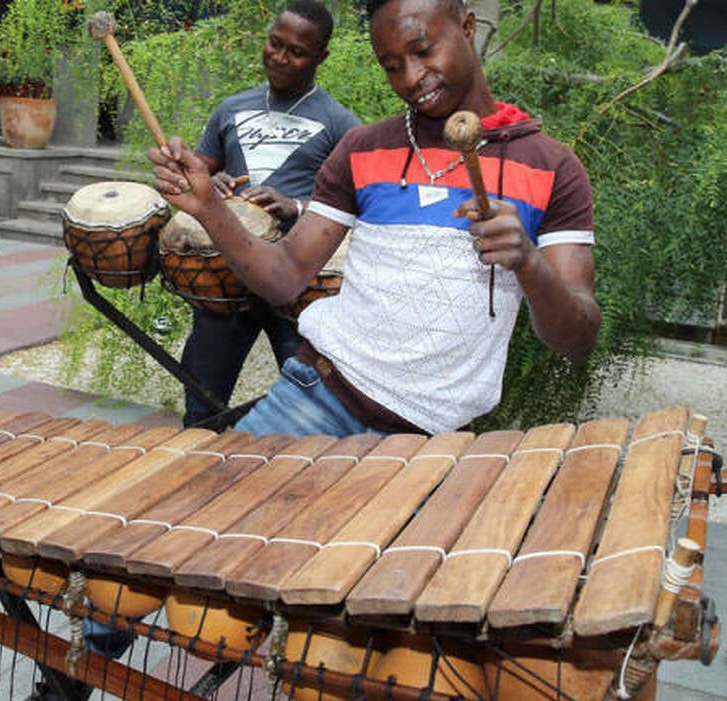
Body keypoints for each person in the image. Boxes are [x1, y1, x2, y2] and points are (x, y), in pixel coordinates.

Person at [149, 0, 600, 438]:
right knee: (204, 505)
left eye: (423, 51)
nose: (411, 77)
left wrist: (530, 263)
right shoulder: (363, 149)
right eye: (391, 65)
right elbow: (284, 278)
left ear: (466, 28)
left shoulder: (554, 168)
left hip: (429, 436)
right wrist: (208, 207)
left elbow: (577, 339)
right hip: (317, 395)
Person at [178, 0, 360, 429]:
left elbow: (362, 203)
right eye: (274, 43)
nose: (279, 57)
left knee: (308, 412)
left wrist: (296, 206)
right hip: (226, 276)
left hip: (297, 285)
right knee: (202, 405)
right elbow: (202, 169)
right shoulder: (231, 109)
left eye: (295, 51)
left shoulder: (339, 123)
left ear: (322, 57)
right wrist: (211, 183)